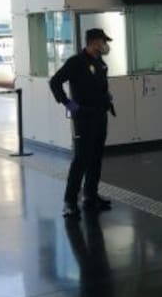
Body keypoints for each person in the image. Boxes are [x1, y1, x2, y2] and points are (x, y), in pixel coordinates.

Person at [49, 28, 116, 218]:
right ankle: (69, 202)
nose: (105, 46)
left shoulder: (99, 63)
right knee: (80, 160)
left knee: (96, 158)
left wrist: (106, 96)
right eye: (103, 41)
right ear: (94, 42)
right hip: (84, 118)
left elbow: (98, 86)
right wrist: (68, 103)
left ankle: (90, 196)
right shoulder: (76, 62)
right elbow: (55, 82)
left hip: (99, 116)